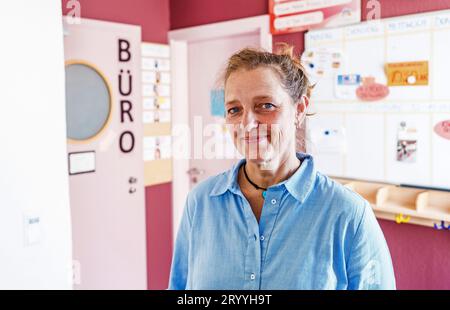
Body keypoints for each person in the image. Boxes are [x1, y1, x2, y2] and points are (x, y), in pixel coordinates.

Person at [168, 44, 396, 290]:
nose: (247, 124)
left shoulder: (348, 214)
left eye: (265, 106)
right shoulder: (200, 203)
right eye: (234, 110)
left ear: (299, 110)